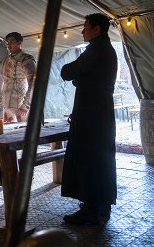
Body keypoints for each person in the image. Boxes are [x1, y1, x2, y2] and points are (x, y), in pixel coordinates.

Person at [60, 13, 117, 225]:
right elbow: (82, 76)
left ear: (97, 30)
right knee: (98, 159)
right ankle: (96, 206)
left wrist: (78, 76)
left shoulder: (96, 50)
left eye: (86, 27)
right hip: (98, 113)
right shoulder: (104, 50)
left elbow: (68, 72)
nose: (82, 31)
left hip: (92, 115)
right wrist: (81, 78)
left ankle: (93, 211)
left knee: (91, 159)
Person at [0, 32, 36, 122]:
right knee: (8, 133)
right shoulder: (4, 61)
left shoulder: (26, 59)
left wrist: (26, 105)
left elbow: (33, 83)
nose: (9, 45)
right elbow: (1, 82)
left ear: (19, 43)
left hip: (21, 105)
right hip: (7, 105)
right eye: (7, 43)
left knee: (22, 133)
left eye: (11, 42)